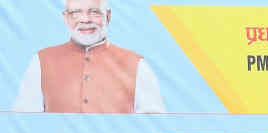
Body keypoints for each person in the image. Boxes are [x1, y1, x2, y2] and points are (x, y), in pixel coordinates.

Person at [13, 0, 165, 113]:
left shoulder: (137, 64)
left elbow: (154, 127)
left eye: (94, 12)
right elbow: (23, 122)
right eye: (76, 13)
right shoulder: (41, 61)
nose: (85, 19)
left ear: (108, 16)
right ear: (65, 18)